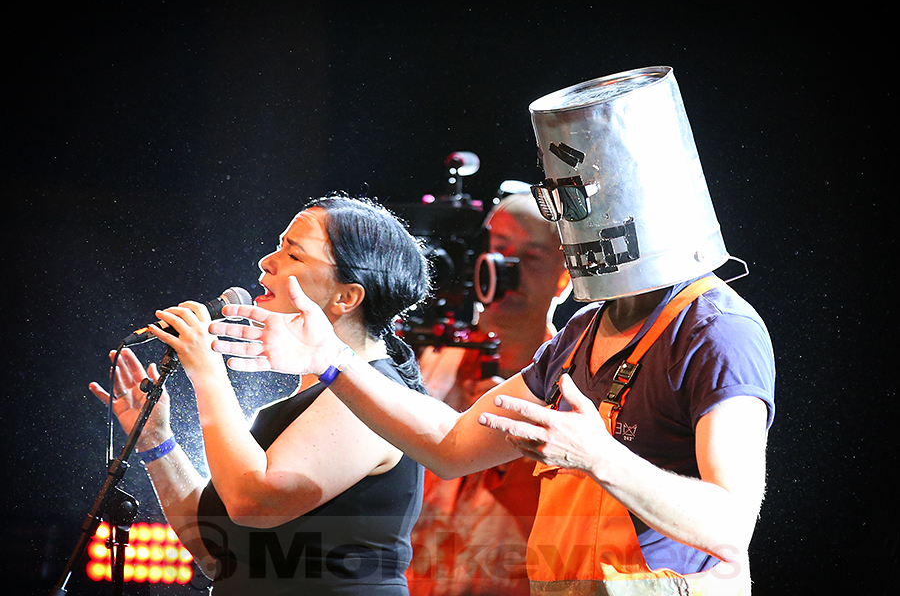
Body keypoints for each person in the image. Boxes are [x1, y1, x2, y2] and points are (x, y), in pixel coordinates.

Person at [210, 67, 776, 595]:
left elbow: (730, 527)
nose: (567, 218)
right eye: (561, 197)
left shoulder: (716, 334)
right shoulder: (583, 332)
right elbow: (450, 445)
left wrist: (601, 458)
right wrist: (332, 357)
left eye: (574, 199)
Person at [89, 194, 432, 595]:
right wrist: (155, 441)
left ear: (346, 297)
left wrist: (206, 366)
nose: (266, 262)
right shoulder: (296, 404)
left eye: (294, 254)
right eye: (279, 245)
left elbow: (254, 503)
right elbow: (215, 551)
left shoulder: (372, 397)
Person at [408, 189, 570, 596]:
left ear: (565, 276)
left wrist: (507, 448)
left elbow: (564, 522)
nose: (506, 269)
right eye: (499, 250)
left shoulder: (576, 385)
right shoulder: (426, 361)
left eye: (530, 258)